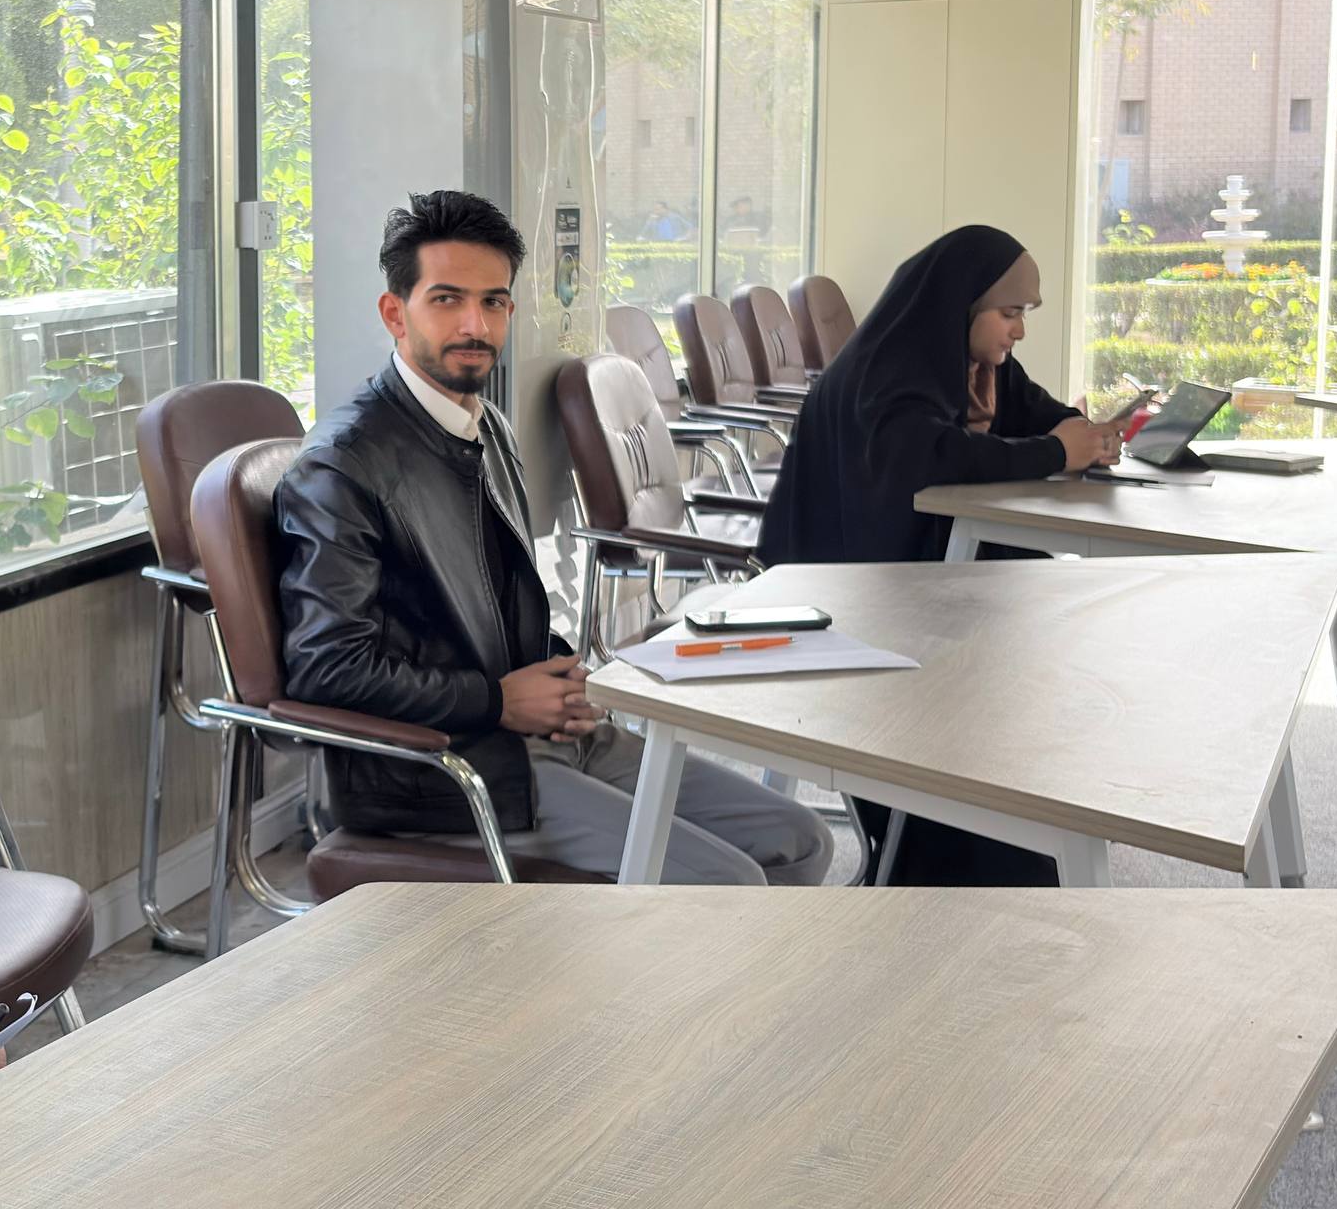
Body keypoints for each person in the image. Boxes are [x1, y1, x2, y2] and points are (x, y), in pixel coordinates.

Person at [274, 189, 833, 885]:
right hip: (438, 769)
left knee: (801, 840)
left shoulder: (488, 428)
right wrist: (497, 700)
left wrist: (563, 676)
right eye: (446, 300)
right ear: (395, 312)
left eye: (493, 301)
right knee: (729, 883)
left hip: (534, 734)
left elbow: (494, 609)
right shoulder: (344, 464)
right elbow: (325, 669)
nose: (475, 324)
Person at [753, 224, 1121, 886]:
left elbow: (1038, 415)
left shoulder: (974, 364)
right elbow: (930, 457)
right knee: (1018, 628)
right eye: (1009, 314)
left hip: (911, 577)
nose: (1019, 331)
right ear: (964, 305)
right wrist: (1055, 451)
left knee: (1042, 611)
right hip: (847, 596)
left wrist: (1084, 435)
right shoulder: (892, 368)